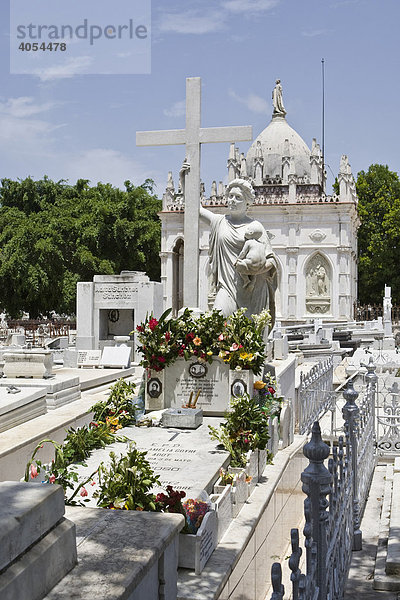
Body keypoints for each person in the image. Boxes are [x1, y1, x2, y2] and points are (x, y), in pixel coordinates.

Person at [200, 178, 278, 319]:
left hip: (253, 292)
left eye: (238, 197)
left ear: (247, 202)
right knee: (218, 317)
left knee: (251, 334)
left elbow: (271, 260)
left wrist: (252, 268)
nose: (232, 200)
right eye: (230, 196)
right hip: (227, 287)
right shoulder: (219, 222)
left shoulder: (255, 226)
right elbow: (195, 209)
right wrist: (186, 180)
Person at [235, 221, 274, 291]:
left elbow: (243, 252)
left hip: (250, 261)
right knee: (254, 272)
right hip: (261, 265)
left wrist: (238, 259)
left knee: (239, 266)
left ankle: (246, 280)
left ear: (250, 233)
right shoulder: (262, 244)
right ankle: (252, 283)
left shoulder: (249, 242)